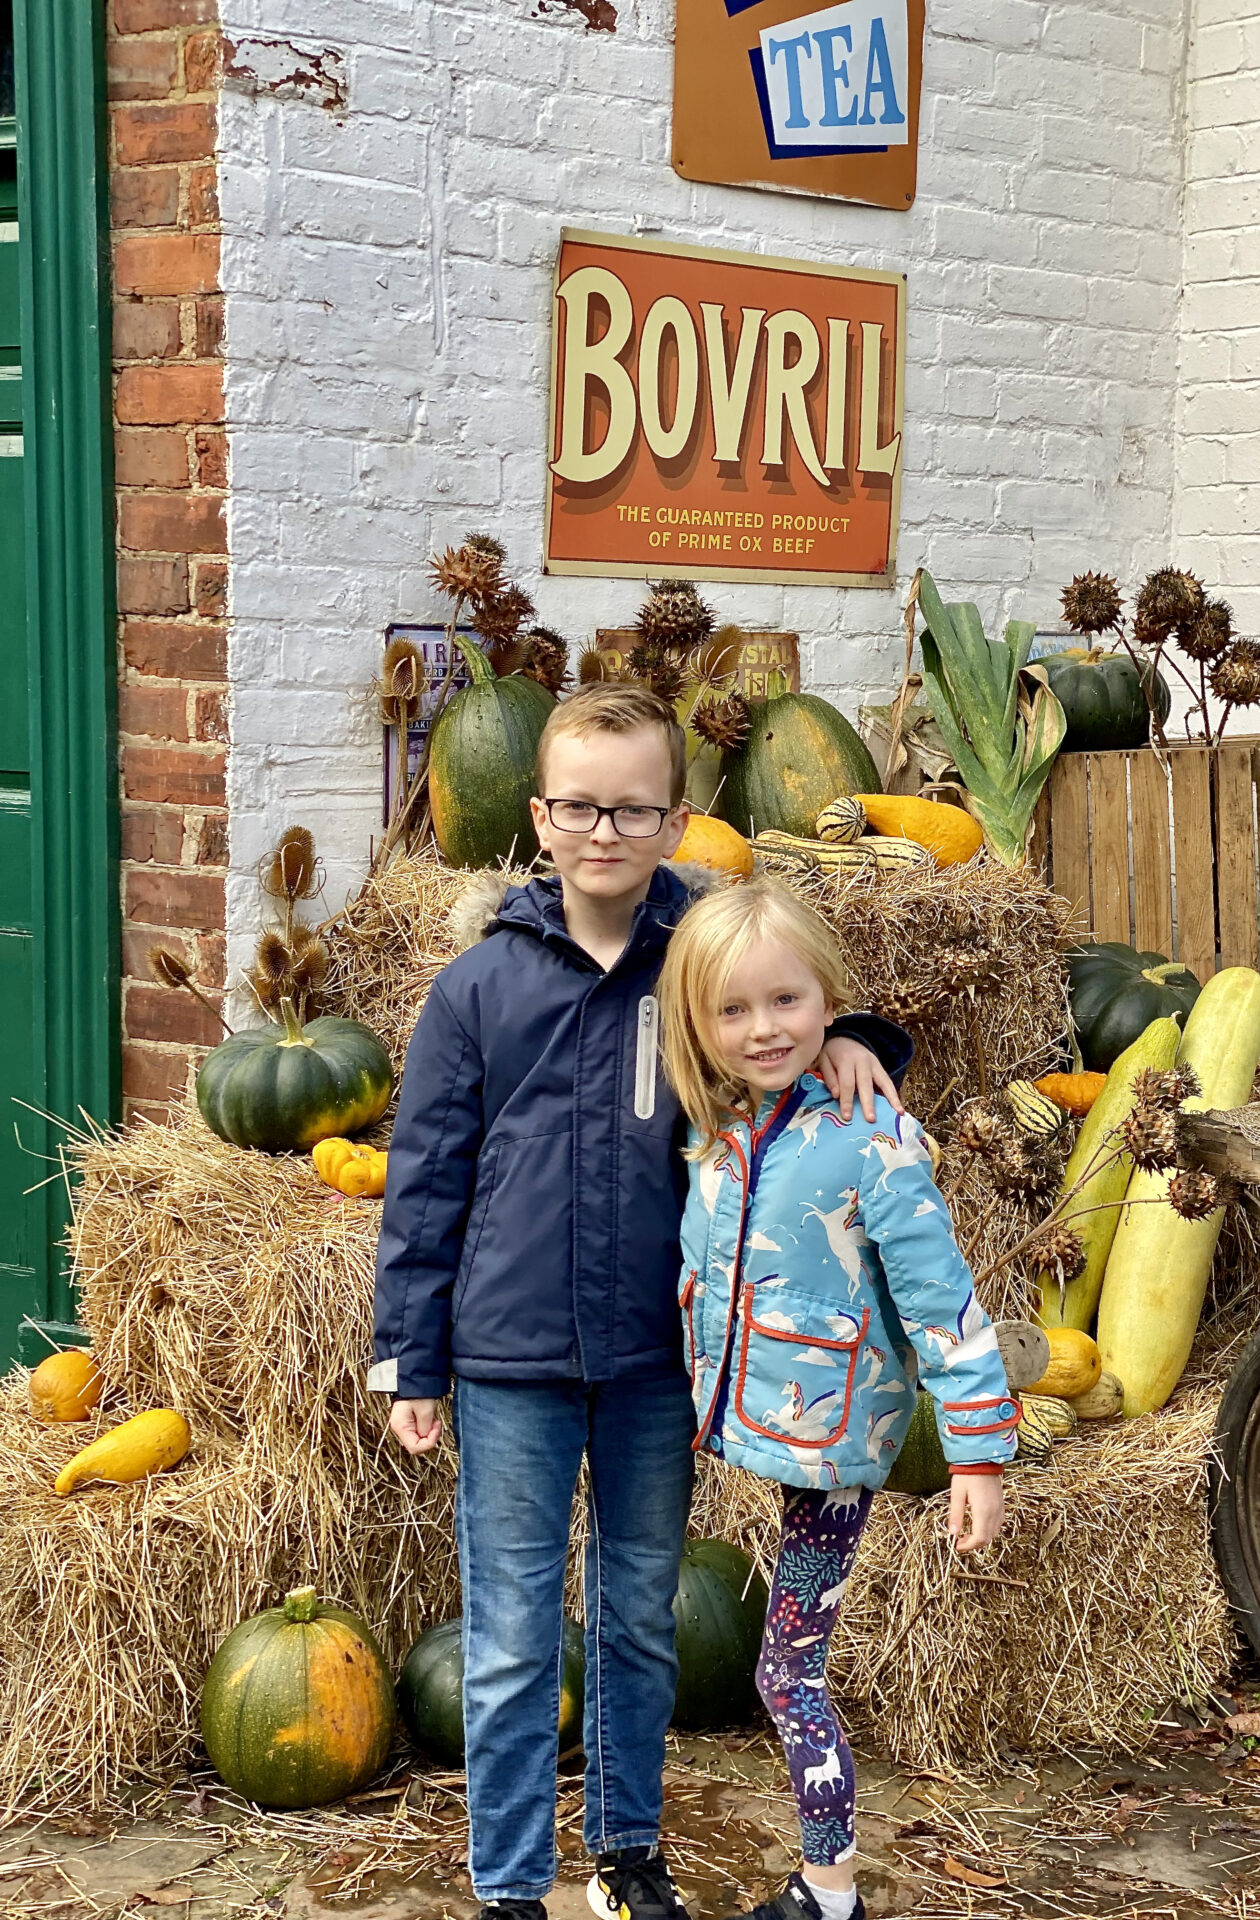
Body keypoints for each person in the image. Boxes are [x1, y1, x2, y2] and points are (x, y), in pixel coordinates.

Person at [370, 684, 908, 1920]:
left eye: (633, 808)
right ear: (539, 819)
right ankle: (510, 1885)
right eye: (579, 806)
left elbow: (790, 1009)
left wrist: (854, 1038)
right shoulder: (478, 990)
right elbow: (424, 1177)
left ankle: (625, 1857)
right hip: (507, 1357)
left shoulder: (705, 961)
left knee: (637, 1621)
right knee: (509, 1639)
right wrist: (412, 1351)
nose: (604, 830)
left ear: (675, 819)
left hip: (659, 1358)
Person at [657, 880, 1019, 1920]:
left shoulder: (872, 1136)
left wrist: (978, 1454)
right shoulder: (717, 1122)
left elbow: (943, 1298)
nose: (764, 1028)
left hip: (832, 1447)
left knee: (787, 1676)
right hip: (755, 1420)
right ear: (699, 1025)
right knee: (780, 1666)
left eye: (788, 1003)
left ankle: (830, 1892)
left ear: (827, 998)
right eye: (734, 1011)